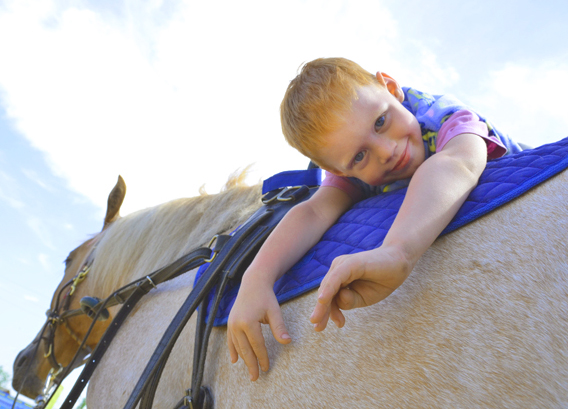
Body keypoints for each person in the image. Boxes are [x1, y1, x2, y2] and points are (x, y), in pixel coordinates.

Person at [227, 57, 520, 381]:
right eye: (359, 156)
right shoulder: (353, 173)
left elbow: (457, 163)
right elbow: (313, 210)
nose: (386, 151)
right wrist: (257, 277)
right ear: (340, 170)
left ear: (391, 88)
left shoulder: (443, 116)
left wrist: (397, 251)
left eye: (381, 122)